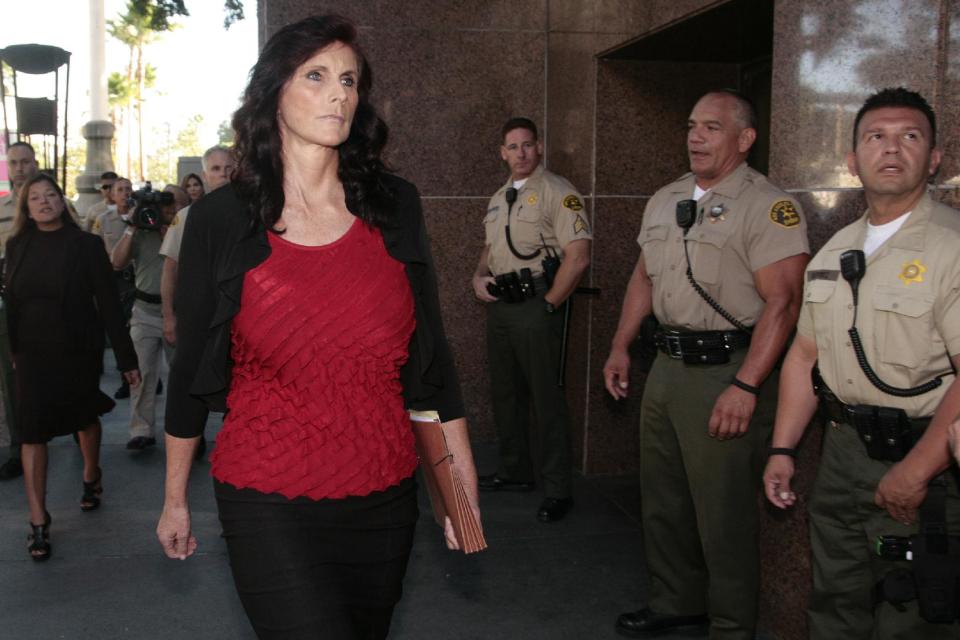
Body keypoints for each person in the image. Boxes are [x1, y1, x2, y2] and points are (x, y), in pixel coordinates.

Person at [155, 15, 481, 640]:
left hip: (384, 490)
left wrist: (459, 481)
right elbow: (191, 368)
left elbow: (429, 355)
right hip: (266, 492)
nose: (340, 94)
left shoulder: (394, 205)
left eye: (351, 81)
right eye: (317, 76)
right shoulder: (220, 220)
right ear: (274, 90)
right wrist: (174, 498)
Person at [602, 90, 810, 639]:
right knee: (664, 498)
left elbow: (783, 304)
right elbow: (644, 278)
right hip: (666, 367)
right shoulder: (666, 198)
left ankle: (731, 624)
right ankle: (676, 600)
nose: (696, 136)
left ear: (744, 140)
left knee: (723, 511)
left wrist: (746, 385)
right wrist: (621, 345)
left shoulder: (767, 205)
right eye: (693, 125)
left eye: (712, 128)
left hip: (728, 369)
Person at [763, 87, 960, 638]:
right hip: (842, 454)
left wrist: (917, 471)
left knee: (913, 613)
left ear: (936, 158)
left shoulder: (951, 247)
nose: (891, 149)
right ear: (852, 162)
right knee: (834, 601)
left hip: (925, 455)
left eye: (910, 136)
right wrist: (782, 448)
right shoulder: (835, 250)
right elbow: (806, 353)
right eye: (876, 136)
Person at [5, 173, 139, 560]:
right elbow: (13, 304)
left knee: (83, 416)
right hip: (31, 353)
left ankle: (91, 475)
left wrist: (126, 358)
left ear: (63, 202)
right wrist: (14, 351)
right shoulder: (17, 246)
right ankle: (38, 521)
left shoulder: (86, 245)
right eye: (36, 198)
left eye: (51, 195)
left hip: (77, 349)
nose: (44, 202)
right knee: (32, 432)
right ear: (26, 207)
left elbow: (110, 305)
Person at [471, 117, 591, 523]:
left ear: (538, 148)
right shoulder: (499, 196)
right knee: (505, 393)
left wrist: (550, 304)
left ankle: (558, 489)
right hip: (501, 306)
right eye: (512, 146)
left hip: (537, 302)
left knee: (546, 398)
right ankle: (515, 471)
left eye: (527, 145)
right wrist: (478, 276)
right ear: (502, 153)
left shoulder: (558, 192)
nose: (520, 153)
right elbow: (490, 248)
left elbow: (578, 256)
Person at [110, 181, 177, 451]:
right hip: (144, 312)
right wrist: (133, 225)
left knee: (180, 375)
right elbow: (116, 262)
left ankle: (183, 431)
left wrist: (165, 230)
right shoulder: (138, 230)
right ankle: (141, 430)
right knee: (142, 375)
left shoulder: (177, 230)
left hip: (176, 312)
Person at [160, 146, 236, 347]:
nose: (223, 174)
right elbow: (170, 269)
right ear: (205, 175)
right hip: (200, 319)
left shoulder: (252, 214)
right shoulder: (186, 217)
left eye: (229, 168)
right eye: (216, 169)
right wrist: (169, 317)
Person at [0, 141, 40, 481]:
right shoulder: (1, 210)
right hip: (10, 311)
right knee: (11, 382)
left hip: (50, 310)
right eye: (14, 162)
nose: (20, 168)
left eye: (25, 161)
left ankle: (76, 431)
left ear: (35, 163)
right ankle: (17, 447)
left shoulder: (55, 206)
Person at [93, 178, 137, 400]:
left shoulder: (142, 217)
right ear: (112, 194)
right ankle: (125, 379)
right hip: (115, 281)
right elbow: (96, 250)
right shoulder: (103, 220)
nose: (125, 193)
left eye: (128, 189)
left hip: (137, 280)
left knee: (137, 331)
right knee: (121, 330)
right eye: (120, 189)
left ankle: (147, 376)